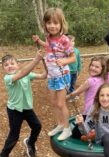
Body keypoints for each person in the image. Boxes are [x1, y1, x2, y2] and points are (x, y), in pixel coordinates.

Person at [0, 52, 46, 157]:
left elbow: (43, 76)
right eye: (6, 65)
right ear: (3, 69)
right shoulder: (8, 78)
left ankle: (30, 142)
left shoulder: (27, 75)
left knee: (37, 126)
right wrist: (36, 60)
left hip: (27, 108)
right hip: (15, 110)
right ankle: (3, 156)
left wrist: (48, 64)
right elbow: (23, 73)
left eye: (12, 63)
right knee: (14, 135)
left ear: (17, 64)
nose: (10, 66)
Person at [32, 7, 75, 141]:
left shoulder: (64, 40)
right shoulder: (49, 38)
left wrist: (64, 60)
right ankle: (60, 125)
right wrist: (39, 42)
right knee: (53, 102)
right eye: (49, 23)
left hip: (62, 75)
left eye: (55, 23)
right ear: (45, 24)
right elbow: (49, 47)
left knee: (61, 104)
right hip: (52, 75)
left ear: (61, 24)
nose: (52, 26)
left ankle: (67, 128)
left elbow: (73, 57)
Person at [66, 56, 107, 139]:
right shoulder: (103, 80)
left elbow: (77, 92)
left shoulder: (90, 81)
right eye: (92, 65)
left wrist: (66, 97)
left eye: (97, 67)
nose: (93, 68)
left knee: (75, 134)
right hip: (100, 110)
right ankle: (94, 133)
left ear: (102, 69)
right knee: (94, 125)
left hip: (89, 112)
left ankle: (88, 136)